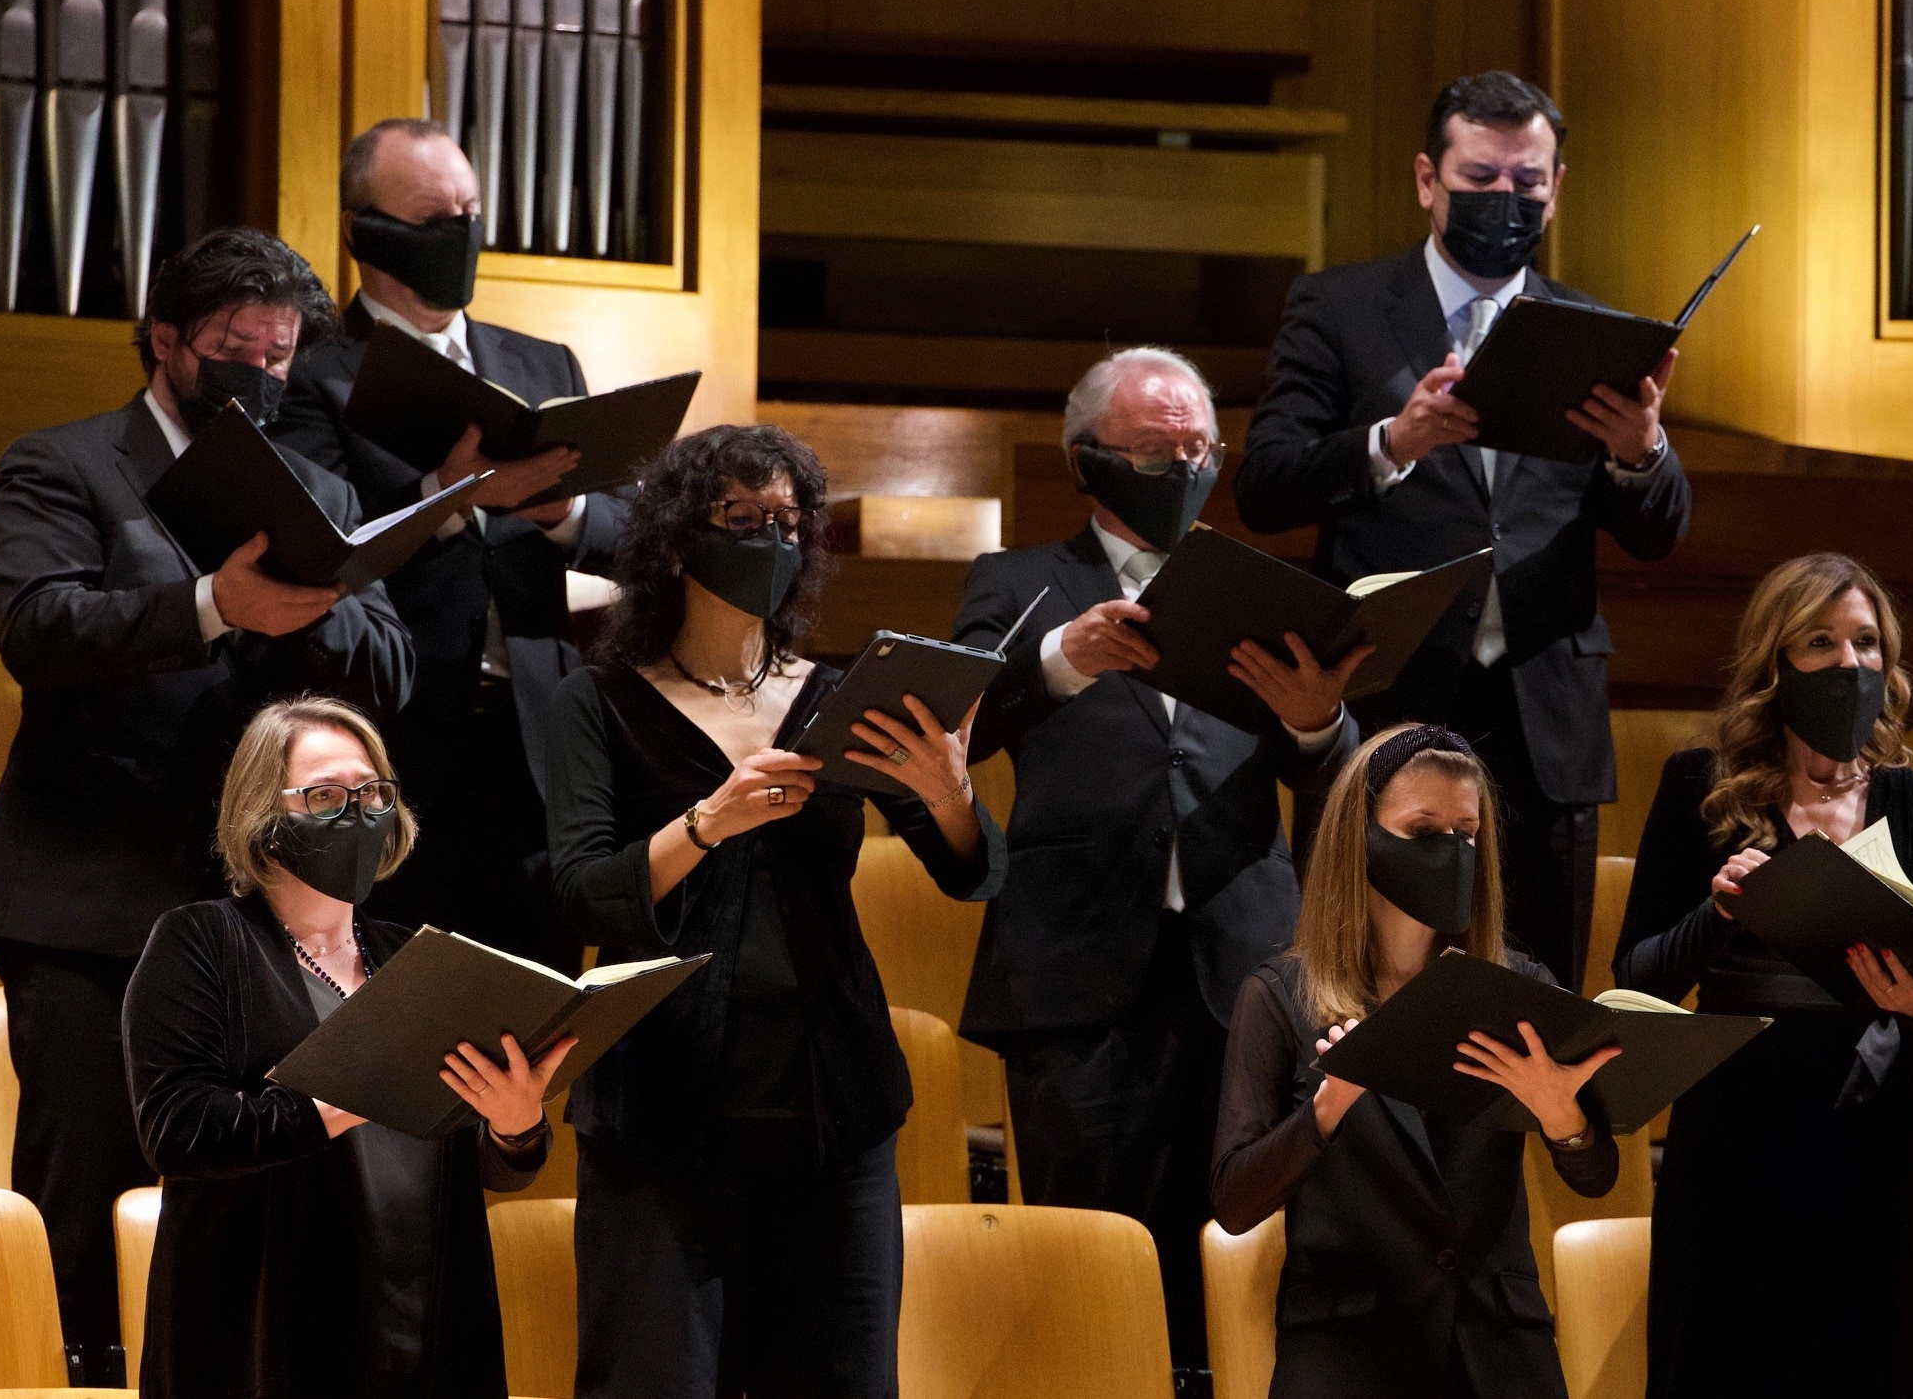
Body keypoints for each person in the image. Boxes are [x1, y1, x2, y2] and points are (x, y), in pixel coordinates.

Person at [0, 227, 414, 1385]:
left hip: (252, 904)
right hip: (91, 898)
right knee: (93, 1179)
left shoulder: (318, 484)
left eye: (281, 356)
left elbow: (386, 665)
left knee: (261, 1182)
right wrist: (212, 605)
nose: (262, 375)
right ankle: (82, 1378)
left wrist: (315, 606)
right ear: (167, 339)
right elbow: (36, 628)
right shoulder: (64, 462)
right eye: (237, 348)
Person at [544, 424, 1005, 1398]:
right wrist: (706, 823)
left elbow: (967, 874)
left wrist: (952, 793)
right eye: (738, 518)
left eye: (787, 522)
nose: (768, 539)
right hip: (660, 1124)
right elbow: (582, 891)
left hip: (833, 1118)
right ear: (675, 540)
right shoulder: (597, 701)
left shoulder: (837, 696)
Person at [950, 347, 1362, 1376]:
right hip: (1078, 973)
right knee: (1093, 1263)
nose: (1178, 467)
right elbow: (958, 728)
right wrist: (1059, 662)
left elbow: (1337, 793)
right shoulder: (1020, 584)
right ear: (1085, 458)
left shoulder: (1267, 590)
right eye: (1150, 449)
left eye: (1196, 450)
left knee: (1246, 1258)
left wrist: (1321, 730)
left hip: (1243, 973)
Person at [1237, 70, 1693, 991]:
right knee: (1360, 987)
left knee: (1531, 993)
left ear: (1556, 187)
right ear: (1425, 179)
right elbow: (1264, 484)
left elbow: (1657, 536)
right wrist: (1389, 443)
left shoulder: (1596, 331)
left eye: (1527, 183)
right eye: (1480, 177)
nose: (1506, 200)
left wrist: (1641, 454)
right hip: (1388, 703)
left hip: (1541, 729)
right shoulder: (1340, 309)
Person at [122, 696, 571, 1398]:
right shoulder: (202, 942)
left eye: (371, 793)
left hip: (427, 1316)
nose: (357, 813)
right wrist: (345, 1096)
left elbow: (486, 1167)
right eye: (325, 795)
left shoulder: (413, 957)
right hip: (267, 1333)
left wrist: (514, 1126)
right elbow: (177, 1130)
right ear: (263, 814)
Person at [1614, 552, 1913, 1399]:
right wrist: (1720, 915)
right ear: (1775, 662)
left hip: (1882, 1111)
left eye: (1866, 643)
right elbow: (1637, 976)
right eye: (1821, 642)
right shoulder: (1697, 786)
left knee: (1880, 1358)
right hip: (1738, 1113)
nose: (1848, 663)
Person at [275, 117, 625, 970]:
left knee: (530, 1021)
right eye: (435, 220)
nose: (460, 235)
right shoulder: (312, 374)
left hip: (536, 742)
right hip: (396, 740)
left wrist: (559, 514)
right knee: (395, 1015)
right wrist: (450, 497)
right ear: (364, 232)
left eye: (470, 213)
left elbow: (625, 534)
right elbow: (318, 548)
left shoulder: (545, 365)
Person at [1210, 723, 1619, 1399]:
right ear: (1360, 840)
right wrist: (1327, 1108)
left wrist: (1560, 1116)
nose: (1452, 853)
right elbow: (1234, 1199)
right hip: (1349, 1351)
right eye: (1425, 832)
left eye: (1466, 834)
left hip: (1497, 1348)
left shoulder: (1518, 984)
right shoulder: (1282, 996)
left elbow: (1596, 1175)